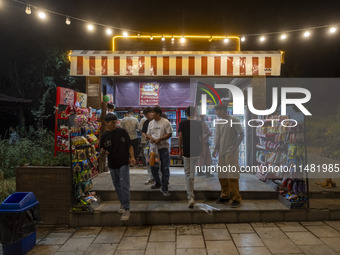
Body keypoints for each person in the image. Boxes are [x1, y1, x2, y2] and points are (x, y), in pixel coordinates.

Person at [100, 114, 136, 221]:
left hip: (123, 162)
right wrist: (103, 152)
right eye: (112, 123)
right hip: (112, 164)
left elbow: (129, 145)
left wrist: (132, 157)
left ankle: (126, 209)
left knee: (124, 185)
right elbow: (102, 149)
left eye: (115, 122)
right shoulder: (104, 136)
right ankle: (122, 203)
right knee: (117, 186)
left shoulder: (122, 132)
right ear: (106, 123)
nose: (114, 125)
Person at [213, 104, 244, 208]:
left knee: (232, 175)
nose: (216, 113)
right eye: (216, 111)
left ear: (223, 110)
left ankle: (236, 199)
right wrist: (215, 149)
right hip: (221, 152)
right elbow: (219, 137)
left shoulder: (234, 119)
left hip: (231, 151)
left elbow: (241, 134)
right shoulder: (219, 122)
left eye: (218, 111)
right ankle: (225, 195)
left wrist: (234, 148)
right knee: (221, 175)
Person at [178, 106, 202, 208]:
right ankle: (191, 193)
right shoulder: (198, 124)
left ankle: (190, 196)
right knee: (192, 172)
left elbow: (180, 137)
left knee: (188, 173)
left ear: (186, 114)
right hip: (196, 151)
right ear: (194, 113)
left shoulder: (182, 123)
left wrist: (180, 148)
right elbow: (200, 138)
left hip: (187, 151)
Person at [147, 106, 172, 196]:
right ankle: (158, 183)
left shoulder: (165, 122)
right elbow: (148, 134)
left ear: (158, 114)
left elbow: (169, 134)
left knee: (164, 168)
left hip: (163, 148)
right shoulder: (150, 123)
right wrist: (151, 138)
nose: (151, 114)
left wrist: (159, 139)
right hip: (153, 148)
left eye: (153, 112)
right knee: (153, 166)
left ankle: (165, 187)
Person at [141, 107, 155, 184]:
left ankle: (158, 178)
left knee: (156, 162)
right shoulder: (146, 122)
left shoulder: (157, 121)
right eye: (145, 115)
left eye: (147, 115)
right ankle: (151, 177)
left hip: (156, 145)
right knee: (148, 161)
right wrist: (145, 136)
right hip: (148, 144)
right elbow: (143, 131)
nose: (147, 116)